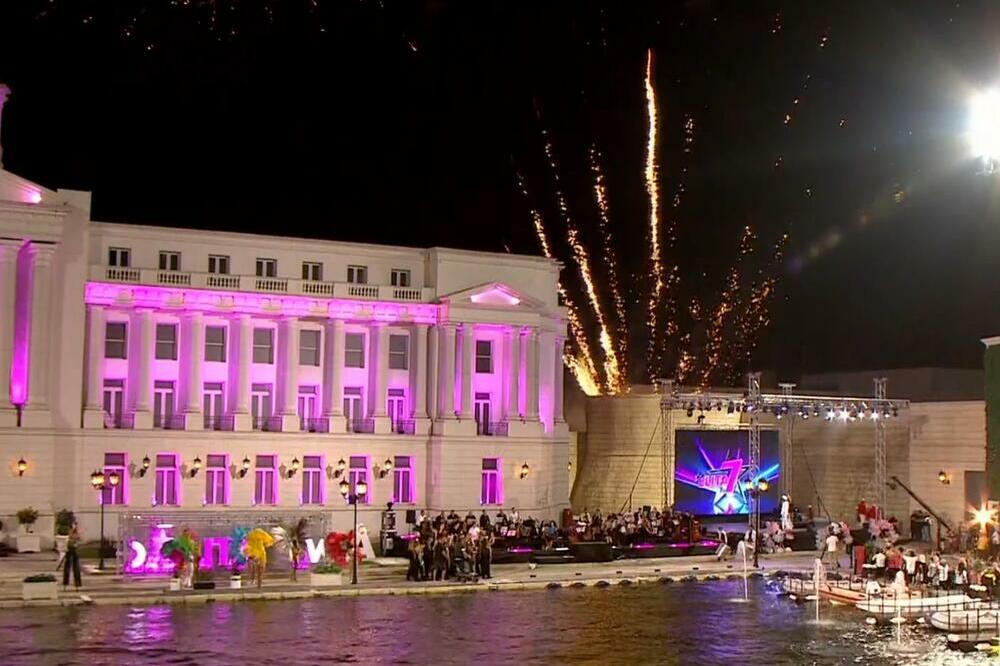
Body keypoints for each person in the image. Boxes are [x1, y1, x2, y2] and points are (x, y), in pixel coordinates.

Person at [62, 522, 82, 590]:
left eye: (75, 525)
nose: (74, 526)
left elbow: (78, 539)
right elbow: (70, 539)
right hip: (70, 550)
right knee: (67, 567)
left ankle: (77, 584)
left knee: (76, 568)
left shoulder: (77, 532)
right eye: (73, 525)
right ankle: (65, 583)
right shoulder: (70, 532)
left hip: (75, 550)